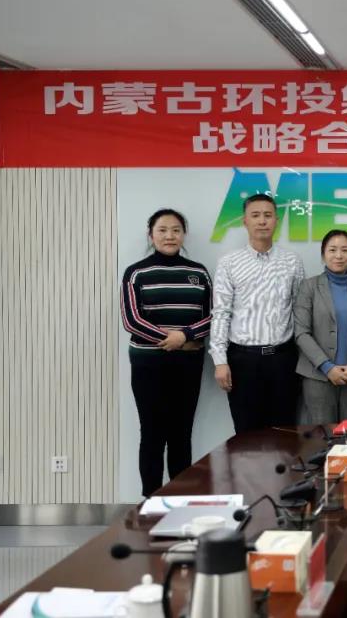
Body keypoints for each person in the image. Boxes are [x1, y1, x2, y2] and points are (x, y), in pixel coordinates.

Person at [120, 209, 211, 497]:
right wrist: (173, 340)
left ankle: (179, 499)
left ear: (183, 235)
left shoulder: (198, 272)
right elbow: (132, 321)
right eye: (162, 230)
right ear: (151, 235)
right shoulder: (136, 272)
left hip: (188, 364)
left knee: (181, 433)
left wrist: (184, 336)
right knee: (152, 433)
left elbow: (212, 316)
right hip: (148, 364)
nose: (169, 236)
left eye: (175, 230)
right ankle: (151, 501)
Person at [209, 193, 306, 433]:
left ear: (276, 220)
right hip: (243, 361)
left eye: (267, 215)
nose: (262, 221)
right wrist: (220, 361)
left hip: (283, 359)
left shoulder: (292, 261)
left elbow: (299, 310)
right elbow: (221, 312)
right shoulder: (229, 263)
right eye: (255, 215)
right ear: (245, 221)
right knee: (246, 436)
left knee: (284, 434)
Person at [295, 230, 347, 424]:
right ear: (323, 254)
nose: (339, 255)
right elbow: (301, 333)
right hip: (317, 377)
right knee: (321, 436)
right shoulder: (309, 287)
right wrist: (327, 367)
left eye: (345, 250)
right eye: (332, 250)